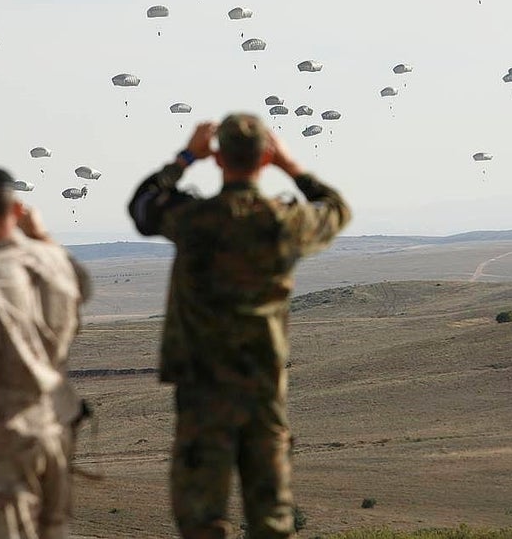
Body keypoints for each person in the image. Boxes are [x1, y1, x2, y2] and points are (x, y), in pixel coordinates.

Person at [128, 114, 351, 539]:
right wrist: (293, 167)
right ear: (265, 158)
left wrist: (184, 158)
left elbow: (142, 208)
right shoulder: (283, 221)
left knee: (200, 517)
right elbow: (337, 210)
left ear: (217, 158)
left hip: (202, 386)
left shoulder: (191, 219)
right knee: (271, 519)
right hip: (261, 385)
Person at [0, 168, 90, 539]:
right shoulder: (54, 262)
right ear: (18, 209)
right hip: (55, 429)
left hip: (5, 439)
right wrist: (40, 234)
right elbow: (82, 284)